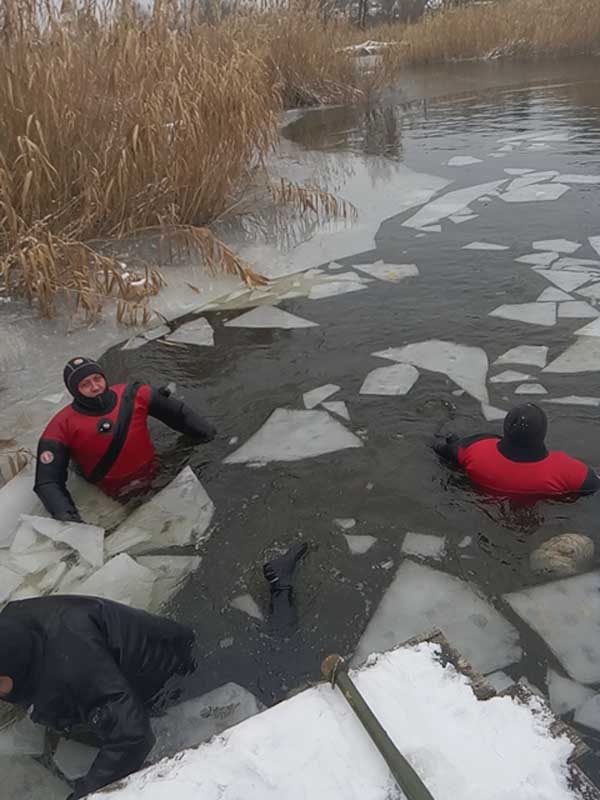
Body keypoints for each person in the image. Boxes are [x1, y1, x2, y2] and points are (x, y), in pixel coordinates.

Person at [0, 595, 196, 800]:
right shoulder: (10, 628)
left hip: (174, 671)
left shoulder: (76, 669)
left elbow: (132, 736)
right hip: (101, 654)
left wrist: (85, 796)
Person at [34, 357, 216, 522]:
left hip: (158, 472)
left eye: (97, 379)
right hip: (115, 493)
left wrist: (210, 436)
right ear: (74, 390)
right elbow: (47, 482)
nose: (95, 387)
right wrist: (70, 519)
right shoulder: (60, 427)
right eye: (85, 384)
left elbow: (180, 415)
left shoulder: (134, 394)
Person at [433, 402, 600, 496]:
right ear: (543, 432)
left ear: (505, 427)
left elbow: (442, 450)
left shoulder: (475, 448)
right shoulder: (571, 472)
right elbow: (594, 487)